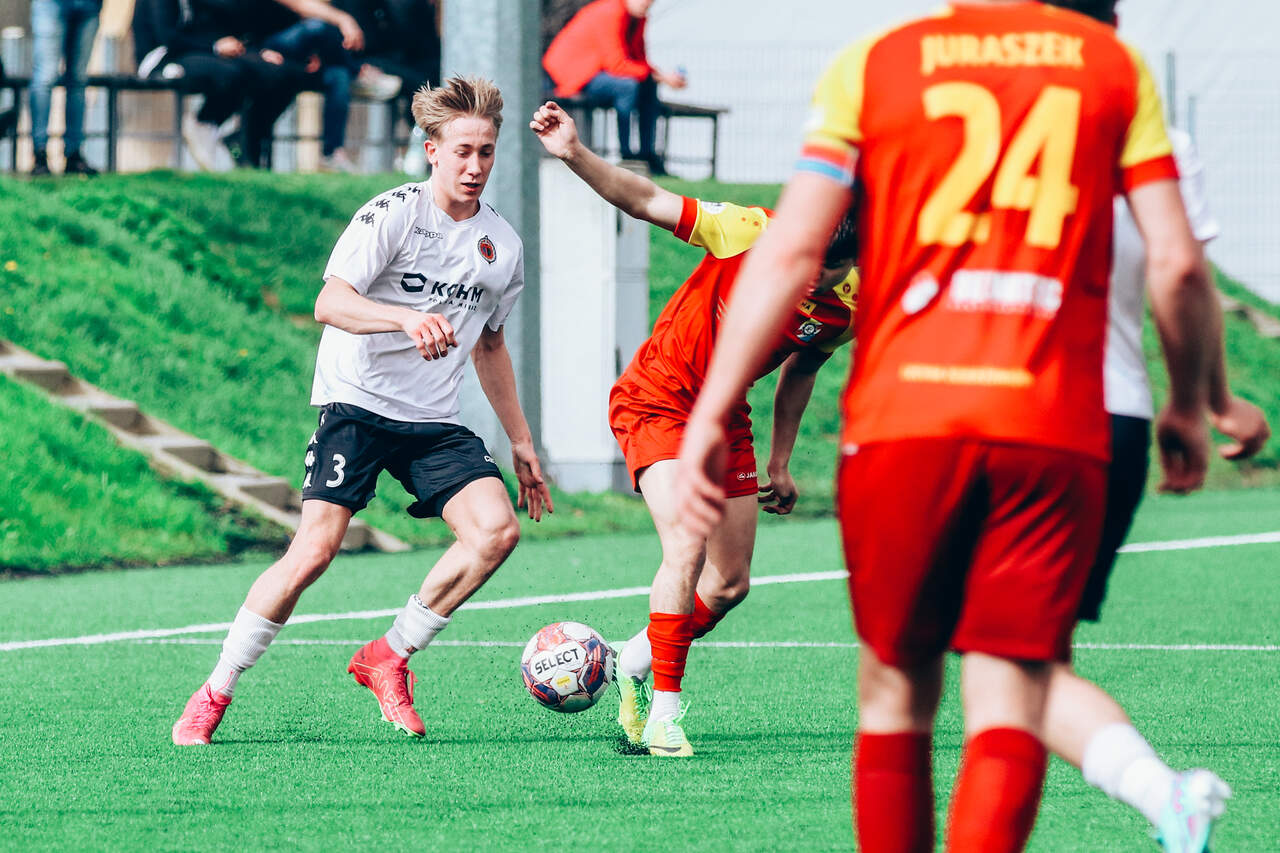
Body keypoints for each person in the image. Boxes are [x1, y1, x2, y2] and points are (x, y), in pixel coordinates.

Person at [677, 3, 1223, 851]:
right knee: (1012, 686)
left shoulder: (875, 62)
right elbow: (1179, 262)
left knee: (895, 688)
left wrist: (714, 407)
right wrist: (1189, 401)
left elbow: (789, 249)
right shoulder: (1109, 66)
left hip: (906, 419)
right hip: (1050, 418)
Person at [172, 76, 553, 745]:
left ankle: (389, 655)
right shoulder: (394, 214)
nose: (475, 166)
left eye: (486, 152)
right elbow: (330, 302)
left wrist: (521, 440)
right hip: (358, 404)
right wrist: (404, 319)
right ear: (432, 150)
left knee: (496, 532)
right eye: (462, 151)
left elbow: (490, 345)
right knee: (314, 551)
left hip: (432, 420)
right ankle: (215, 690)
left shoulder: (502, 246)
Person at [530, 100, 859, 757]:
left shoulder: (847, 307)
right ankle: (663, 716)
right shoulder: (749, 231)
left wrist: (781, 460)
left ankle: (632, 659)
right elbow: (646, 199)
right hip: (658, 399)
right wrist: (574, 154)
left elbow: (803, 369)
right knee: (686, 545)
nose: (807, 272)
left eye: (825, 267)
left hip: (726, 417)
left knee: (729, 582)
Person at [1035, 3, 1269, 850]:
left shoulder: (963, 116)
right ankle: (1163, 797)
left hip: (975, 411)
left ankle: (1166, 796)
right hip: (1112, 418)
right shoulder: (1157, 132)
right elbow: (1181, 268)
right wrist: (1203, 400)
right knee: (1024, 662)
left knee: (942, 667)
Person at [542, 0, 686, 175]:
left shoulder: (638, 18)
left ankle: (647, 155)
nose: (647, 3)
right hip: (573, 74)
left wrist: (659, 76)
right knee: (627, 86)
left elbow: (638, 60)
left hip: (597, 71)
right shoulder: (611, 11)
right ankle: (626, 154)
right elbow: (616, 64)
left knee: (647, 84)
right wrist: (662, 77)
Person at [29, 0, 102, 176]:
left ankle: (74, 154)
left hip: (89, 6)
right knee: (45, 77)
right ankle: (39, 154)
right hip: (52, 3)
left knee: (78, 80)